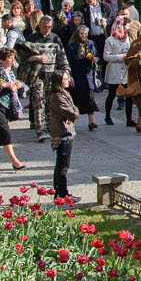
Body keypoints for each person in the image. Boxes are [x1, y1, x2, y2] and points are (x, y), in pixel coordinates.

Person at [45, 66, 78, 200]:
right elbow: (72, 113)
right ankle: (62, 193)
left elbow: (74, 109)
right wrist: (74, 112)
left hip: (66, 131)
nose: (68, 80)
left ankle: (60, 192)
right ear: (59, 81)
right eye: (65, 79)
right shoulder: (57, 96)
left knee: (62, 164)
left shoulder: (64, 93)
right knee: (62, 165)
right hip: (62, 132)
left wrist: (74, 111)